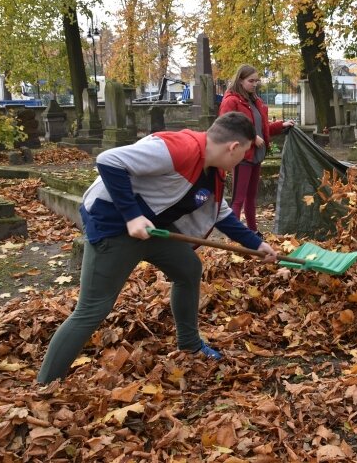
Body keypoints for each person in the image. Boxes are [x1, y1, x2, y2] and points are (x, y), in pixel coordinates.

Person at [37, 114, 278, 384]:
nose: (242, 160)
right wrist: (131, 216)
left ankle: (190, 344)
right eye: (244, 152)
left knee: (188, 268)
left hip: (151, 228)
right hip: (114, 225)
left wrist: (256, 244)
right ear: (233, 147)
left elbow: (221, 216)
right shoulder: (180, 148)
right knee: (93, 309)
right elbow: (109, 160)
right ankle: (45, 385)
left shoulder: (214, 172)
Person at [218, 65, 294, 235]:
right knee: (238, 199)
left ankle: (253, 231)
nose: (254, 84)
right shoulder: (231, 100)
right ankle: (235, 236)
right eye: (251, 81)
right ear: (240, 80)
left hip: (257, 155)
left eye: (256, 81)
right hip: (242, 156)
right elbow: (225, 128)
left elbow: (263, 127)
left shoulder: (255, 101)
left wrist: (281, 125)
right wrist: (251, 138)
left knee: (251, 198)